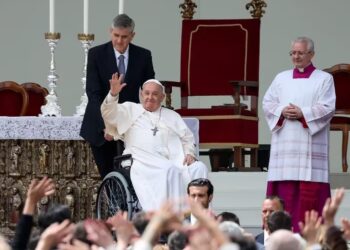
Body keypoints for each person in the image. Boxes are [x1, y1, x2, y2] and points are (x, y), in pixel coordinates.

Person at [262, 36, 336, 232]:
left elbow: (328, 107)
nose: (296, 56)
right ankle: (279, 231)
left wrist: (303, 113)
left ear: (311, 54)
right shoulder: (281, 77)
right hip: (285, 142)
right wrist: (282, 111)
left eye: (300, 53)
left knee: (308, 194)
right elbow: (267, 103)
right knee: (285, 191)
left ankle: (310, 233)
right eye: (293, 53)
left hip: (308, 144)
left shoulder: (324, 79)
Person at [101, 76, 208, 211]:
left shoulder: (172, 115)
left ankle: (199, 218)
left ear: (162, 97)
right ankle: (172, 218)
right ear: (141, 94)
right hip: (141, 160)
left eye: (155, 94)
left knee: (199, 167)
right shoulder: (129, 109)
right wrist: (113, 94)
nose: (150, 97)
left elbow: (187, 137)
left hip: (172, 159)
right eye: (147, 93)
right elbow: (108, 113)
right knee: (170, 170)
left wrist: (189, 153)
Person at [80, 13, 155, 179]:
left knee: (133, 177)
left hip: (132, 128)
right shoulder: (96, 54)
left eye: (124, 37)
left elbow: (149, 90)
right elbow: (93, 93)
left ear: (132, 35)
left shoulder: (143, 56)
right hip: (102, 129)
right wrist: (107, 125)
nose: (120, 41)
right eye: (116, 35)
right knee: (109, 177)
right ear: (110, 32)